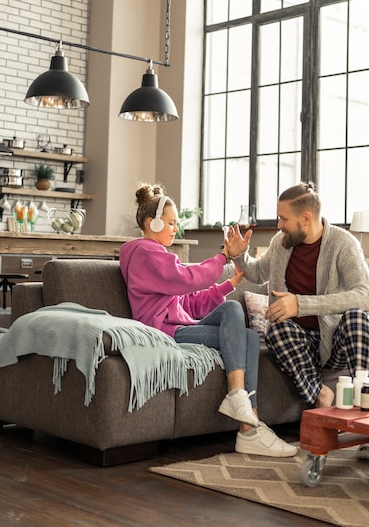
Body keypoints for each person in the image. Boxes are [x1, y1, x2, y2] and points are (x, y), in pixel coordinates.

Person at [119, 183, 297, 458]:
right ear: (151, 223)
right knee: (236, 322)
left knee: (243, 328)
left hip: (178, 324)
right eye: (170, 223)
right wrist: (224, 256)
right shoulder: (144, 253)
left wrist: (227, 286)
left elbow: (188, 301)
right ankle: (245, 413)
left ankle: (247, 420)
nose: (175, 229)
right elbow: (187, 279)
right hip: (163, 331)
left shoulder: (159, 257)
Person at [225, 181, 369, 410]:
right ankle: (319, 394)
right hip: (296, 341)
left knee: (358, 318)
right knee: (277, 329)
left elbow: (367, 297)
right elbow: (258, 273)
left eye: (284, 218)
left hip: (334, 343)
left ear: (306, 218)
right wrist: (240, 256)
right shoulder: (281, 243)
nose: (279, 225)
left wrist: (301, 304)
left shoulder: (343, 243)